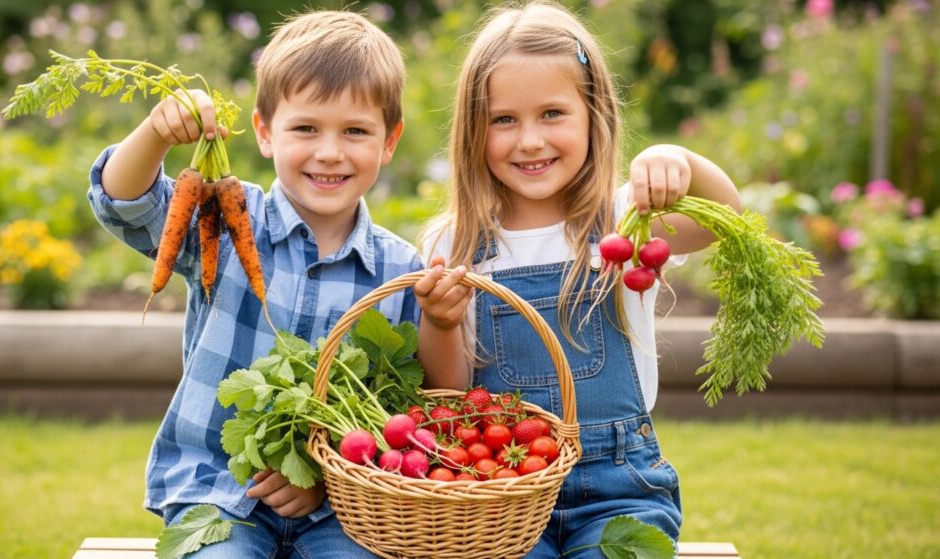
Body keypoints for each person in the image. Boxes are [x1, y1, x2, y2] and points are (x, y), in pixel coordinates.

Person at [413, 1, 741, 555]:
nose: (530, 140)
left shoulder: (624, 224)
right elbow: (448, 393)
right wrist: (440, 321)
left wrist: (674, 156)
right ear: (474, 131)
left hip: (620, 487)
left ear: (595, 114)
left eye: (552, 114)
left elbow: (727, 216)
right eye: (504, 120)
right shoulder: (454, 245)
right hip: (500, 491)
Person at [88, 10, 419, 558]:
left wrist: (323, 478)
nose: (330, 152)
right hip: (217, 490)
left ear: (389, 141)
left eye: (355, 131)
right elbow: (126, 205)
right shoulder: (222, 215)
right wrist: (156, 133)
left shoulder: (399, 270)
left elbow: (396, 406)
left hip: (343, 508)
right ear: (265, 132)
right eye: (306, 128)